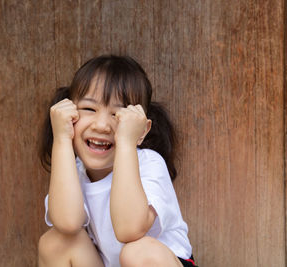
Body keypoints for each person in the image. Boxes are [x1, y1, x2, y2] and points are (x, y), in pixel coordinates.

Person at [38, 55, 196, 267]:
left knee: (137, 252)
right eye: (89, 109)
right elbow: (67, 223)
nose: (102, 125)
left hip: (158, 261)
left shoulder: (149, 164)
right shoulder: (74, 171)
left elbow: (129, 229)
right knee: (55, 242)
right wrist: (62, 139)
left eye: (117, 114)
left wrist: (126, 143)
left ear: (140, 131)